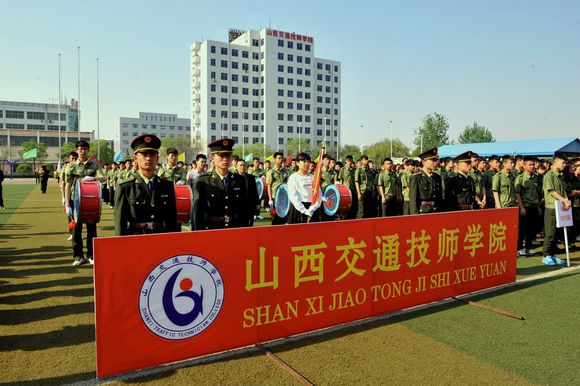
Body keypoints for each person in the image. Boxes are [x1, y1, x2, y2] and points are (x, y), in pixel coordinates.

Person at [114, 134, 178, 235]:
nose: (148, 158)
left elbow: (172, 220)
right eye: (144, 154)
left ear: (157, 158)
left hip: (161, 238)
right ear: (135, 158)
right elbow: (120, 223)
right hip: (136, 239)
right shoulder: (125, 187)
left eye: (152, 154)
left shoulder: (167, 186)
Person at [64, 141, 105, 266]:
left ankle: (91, 256)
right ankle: (78, 257)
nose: (83, 151)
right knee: (76, 230)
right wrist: (67, 204)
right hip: (75, 201)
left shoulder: (94, 165)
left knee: (91, 229)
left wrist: (93, 178)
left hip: (90, 201)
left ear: (88, 150)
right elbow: (68, 184)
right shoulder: (71, 166)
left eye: (85, 149)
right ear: (77, 150)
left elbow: (103, 178)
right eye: (80, 149)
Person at [193, 138, 249, 230]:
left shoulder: (239, 180)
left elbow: (244, 210)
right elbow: (198, 213)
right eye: (221, 156)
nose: (225, 159)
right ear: (212, 157)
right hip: (212, 229)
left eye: (228, 155)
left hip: (234, 228)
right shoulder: (203, 181)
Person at [542, 153, 571, 265]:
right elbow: (551, 191)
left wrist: (566, 200)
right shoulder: (549, 175)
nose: (565, 165)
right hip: (551, 207)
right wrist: (564, 200)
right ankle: (546, 255)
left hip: (560, 208)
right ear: (555, 162)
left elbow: (563, 190)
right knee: (550, 233)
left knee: (556, 233)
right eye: (563, 162)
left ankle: (552, 254)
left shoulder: (560, 175)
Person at [514, 156, 542, 256]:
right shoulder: (520, 178)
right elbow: (517, 194)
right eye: (529, 165)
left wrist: (538, 207)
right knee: (522, 229)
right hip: (525, 207)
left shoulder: (535, 178)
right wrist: (521, 207)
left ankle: (528, 248)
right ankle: (519, 248)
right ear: (524, 166)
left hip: (534, 206)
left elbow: (536, 194)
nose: (532, 166)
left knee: (532, 229)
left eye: (533, 164)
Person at [287, 152, 323, 223]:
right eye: (304, 161)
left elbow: (319, 195)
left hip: (313, 208)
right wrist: (304, 211)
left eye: (308, 161)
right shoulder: (293, 178)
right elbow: (293, 197)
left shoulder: (313, 177)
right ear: (297, 163)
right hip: (298, 209)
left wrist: (313, 208)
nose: (306, 164)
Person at [409, 148, 443, 215]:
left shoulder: (437, 177)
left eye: (436, 160)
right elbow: (413, 201)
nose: (436, 162)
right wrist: (414, 217)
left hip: (436, 212)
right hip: (423, 213)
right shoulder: (416, 177)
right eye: (433, 160)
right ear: (424, 162)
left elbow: (439, 199)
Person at [267, 152, 291, 225]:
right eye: (279, 158)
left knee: (284, 215)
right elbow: (269, 186)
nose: (281, 160)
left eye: (282, 158)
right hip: (275, 197)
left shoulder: (286, 171)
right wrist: (270, 199)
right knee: (276, 217)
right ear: (275, 159)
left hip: (284, 197)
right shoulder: (271, 172)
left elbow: (289, 182)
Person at [236, 159, 260, 226]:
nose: (242, 167)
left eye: (244, 165)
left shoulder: (251, 178)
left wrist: (257, 203)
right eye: (240, 165)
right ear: (236, 167)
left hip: (250, 205)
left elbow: (255, 191)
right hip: (238, 206)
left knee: (249, 224)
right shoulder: (234, 178)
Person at [337, 155, 358, 219]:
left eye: (351, 161)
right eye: (348, 161)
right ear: (346, 161)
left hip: (353, 190)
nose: (349, 163)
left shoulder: (355, 170)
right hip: (345, 191)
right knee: (345, 205)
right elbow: (341, 180)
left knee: (353, 206)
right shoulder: (342, 170)